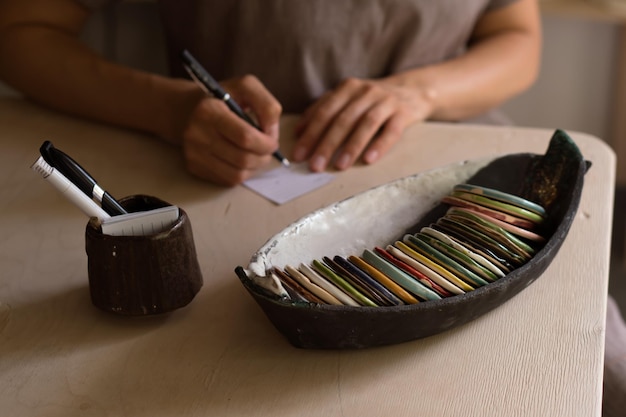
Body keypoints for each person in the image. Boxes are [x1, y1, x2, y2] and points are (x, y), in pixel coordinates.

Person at [0, 0, 541, 186]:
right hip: (233, 188)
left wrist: (418, 93)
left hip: (458, 168)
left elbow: (518, 38)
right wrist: (169, 108)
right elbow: (20, 33)